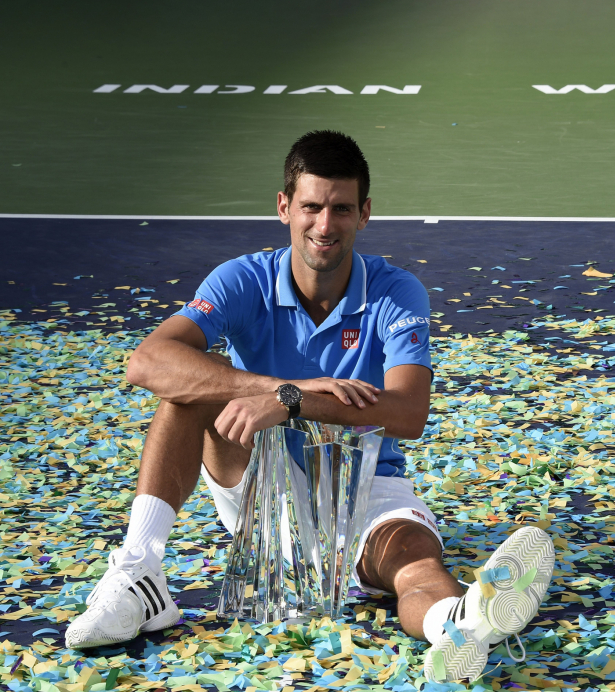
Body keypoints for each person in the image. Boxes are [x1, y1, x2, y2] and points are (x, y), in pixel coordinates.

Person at [65, 130, 555, 682]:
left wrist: (298, 403)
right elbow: (147, 362)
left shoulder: (397, 293)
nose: (325, 225)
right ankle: (139, 575)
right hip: (261, 485)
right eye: (312, 207)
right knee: (191, 388)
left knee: (415, 559)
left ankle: (458, 623)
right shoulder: (241, 279)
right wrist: (278, 390)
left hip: (366, 483)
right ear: (284, 208)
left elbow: (408, 413)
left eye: (341, 209)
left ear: (364, 213)